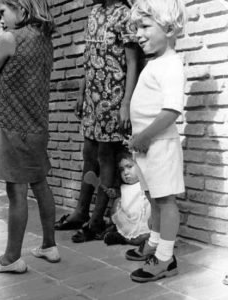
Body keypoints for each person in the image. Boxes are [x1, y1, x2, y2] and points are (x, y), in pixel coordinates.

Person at [54, 0, 139, 243]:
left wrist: (125, 104)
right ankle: (81, 211)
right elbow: (89, 59)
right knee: (88, 152)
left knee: (105, 155)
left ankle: (97, 218)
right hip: (92, 96)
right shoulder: (94, 13)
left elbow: (133, 62)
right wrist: (81, 92)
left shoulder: (125, 15)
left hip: (113, 97)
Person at [0, 0, 60, 274]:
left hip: (11, 126)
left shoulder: (8, 38)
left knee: (16, 193)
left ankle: (11, 258)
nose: (1, 20)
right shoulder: (44, 38)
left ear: (20, 5)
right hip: (36, 126)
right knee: (40, 183)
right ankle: (49, 245)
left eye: (2, 12)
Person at [125, 0, 187, 282]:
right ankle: (153, 241)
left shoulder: (172, 64)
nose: (138, 33)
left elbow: (172, 110)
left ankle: (165, 257)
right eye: (136, 27)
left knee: (165, 201)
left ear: (169, 27)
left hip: (159, 146)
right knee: (153, 198)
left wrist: (145, 136)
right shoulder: (156, 63)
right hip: (147, 148)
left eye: (145, 26)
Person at [103, 151, 151, 246]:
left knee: (143, 237)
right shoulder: (123, 187)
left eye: (129, 167)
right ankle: (116, 230)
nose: (125, 172)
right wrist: (114, 194)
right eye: (122, 169)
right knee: (117, 201)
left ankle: (122, 238)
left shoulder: (145, 185)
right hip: (127, 222)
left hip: (142, 223)